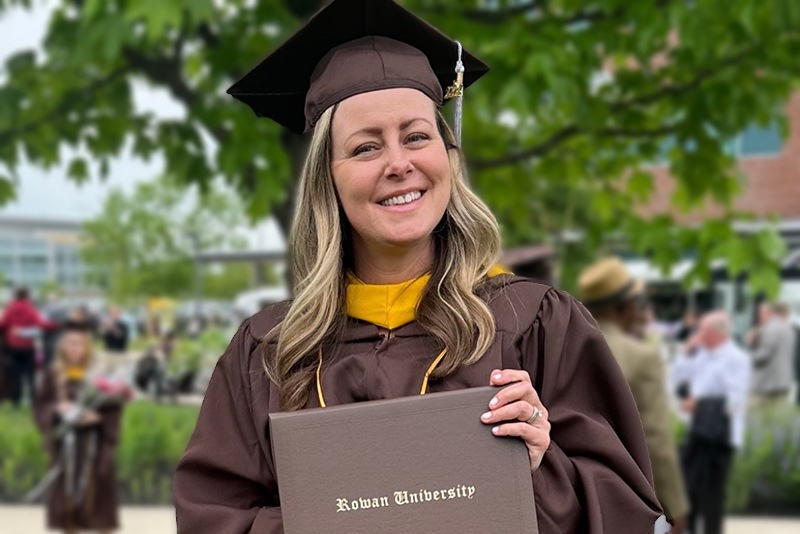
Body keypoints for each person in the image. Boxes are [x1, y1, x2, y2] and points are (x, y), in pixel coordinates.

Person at [173, 1, 663, 533]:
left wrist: (540, 465)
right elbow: (213, 518)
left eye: (416, 136)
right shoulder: (268, 350)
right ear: (327, 179)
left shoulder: (536, 322)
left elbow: (626, 509)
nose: (398, 164)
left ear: (447, 155)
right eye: (365, 148)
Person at [579, 257, 689, 533]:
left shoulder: (558, 347)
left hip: (568, 496)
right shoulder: (641, 357)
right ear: (626, 306)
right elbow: (655, 438)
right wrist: (675, 507)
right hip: (626, 501)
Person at [34, 324, 122, 534]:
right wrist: (57, 409)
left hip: (95, 443)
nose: (75, 348)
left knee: (99, 492)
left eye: (80, 343)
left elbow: (113, 407)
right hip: (66, 445)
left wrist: (98, 418)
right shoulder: (52, 374)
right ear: (63, 346)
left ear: (87, 346)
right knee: (67, 492)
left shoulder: (99, 375)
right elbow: (41, 405)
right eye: (71, 343)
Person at [673, 312, 751, 534]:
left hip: (720, 434)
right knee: (688, 487)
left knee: (712, 492)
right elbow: (677, 376)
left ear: (716, 333)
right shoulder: (702, 355)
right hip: (699, 430)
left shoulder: (736, 358)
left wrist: (699, 404)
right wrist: (686, 351)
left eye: (703, 330)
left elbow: (736, 400)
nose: (698, 334)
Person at [0, 286, 56, 407]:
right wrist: (55, 325)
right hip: (27, 347)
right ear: (27, 295)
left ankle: (15, 402)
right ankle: (34, 400)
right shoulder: (30, 308)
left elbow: (3, 325)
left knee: (15, 375)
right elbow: (41, 324)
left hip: (12, 347)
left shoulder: (10, 308)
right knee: (30, 375)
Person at [747, 302, 795, 407]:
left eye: (761, 313)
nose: (759, 316)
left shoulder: (770, 329)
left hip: (765, 384)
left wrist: (745, 358)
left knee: (753, 414)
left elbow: (764, 354)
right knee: (777, 416)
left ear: (770, 313)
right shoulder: (789, 329)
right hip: (783, 382)